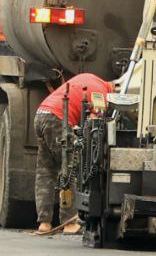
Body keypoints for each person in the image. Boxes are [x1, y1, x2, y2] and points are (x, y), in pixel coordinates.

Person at [32, 73, 112, 235]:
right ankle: (69, 222)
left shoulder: (88, 78)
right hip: (57, 119)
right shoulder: (101, 92)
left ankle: (44, 222)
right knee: (70, 170)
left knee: (45, 171)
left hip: (41, 114)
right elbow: (96, 124)